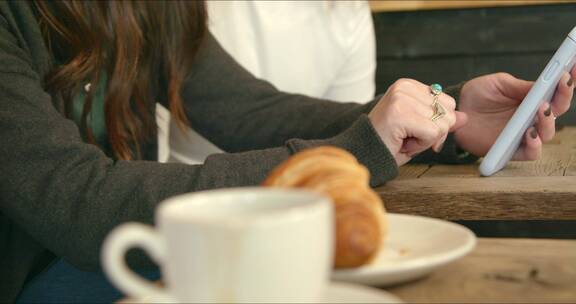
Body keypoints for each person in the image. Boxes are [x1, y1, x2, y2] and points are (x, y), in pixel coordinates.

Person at [0, 1, 574, 302]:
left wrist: (445, 119)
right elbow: (80, 202)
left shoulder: (155, 7)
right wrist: (357, 150)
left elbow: (251, 111)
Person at [158, 0, 376, 164]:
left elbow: (345, 146)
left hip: (297, 190)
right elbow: (243, 112)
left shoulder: (349, 13)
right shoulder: (176, 10)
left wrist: (380, 117)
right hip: (189, 193)